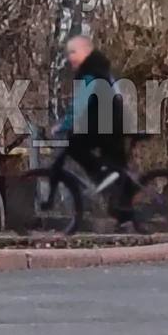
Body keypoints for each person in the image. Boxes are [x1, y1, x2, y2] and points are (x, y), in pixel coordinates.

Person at [53, 34, 134, 226]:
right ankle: (127, 214)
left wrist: (64, 125)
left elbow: (81, 104)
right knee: (118, 173)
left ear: (86, 51)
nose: (70, 57)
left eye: (73, 52)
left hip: (106, 127)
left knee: (75, 146)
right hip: (114, 125)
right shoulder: (102, 69)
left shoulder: (90, 71)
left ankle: (102, 176)